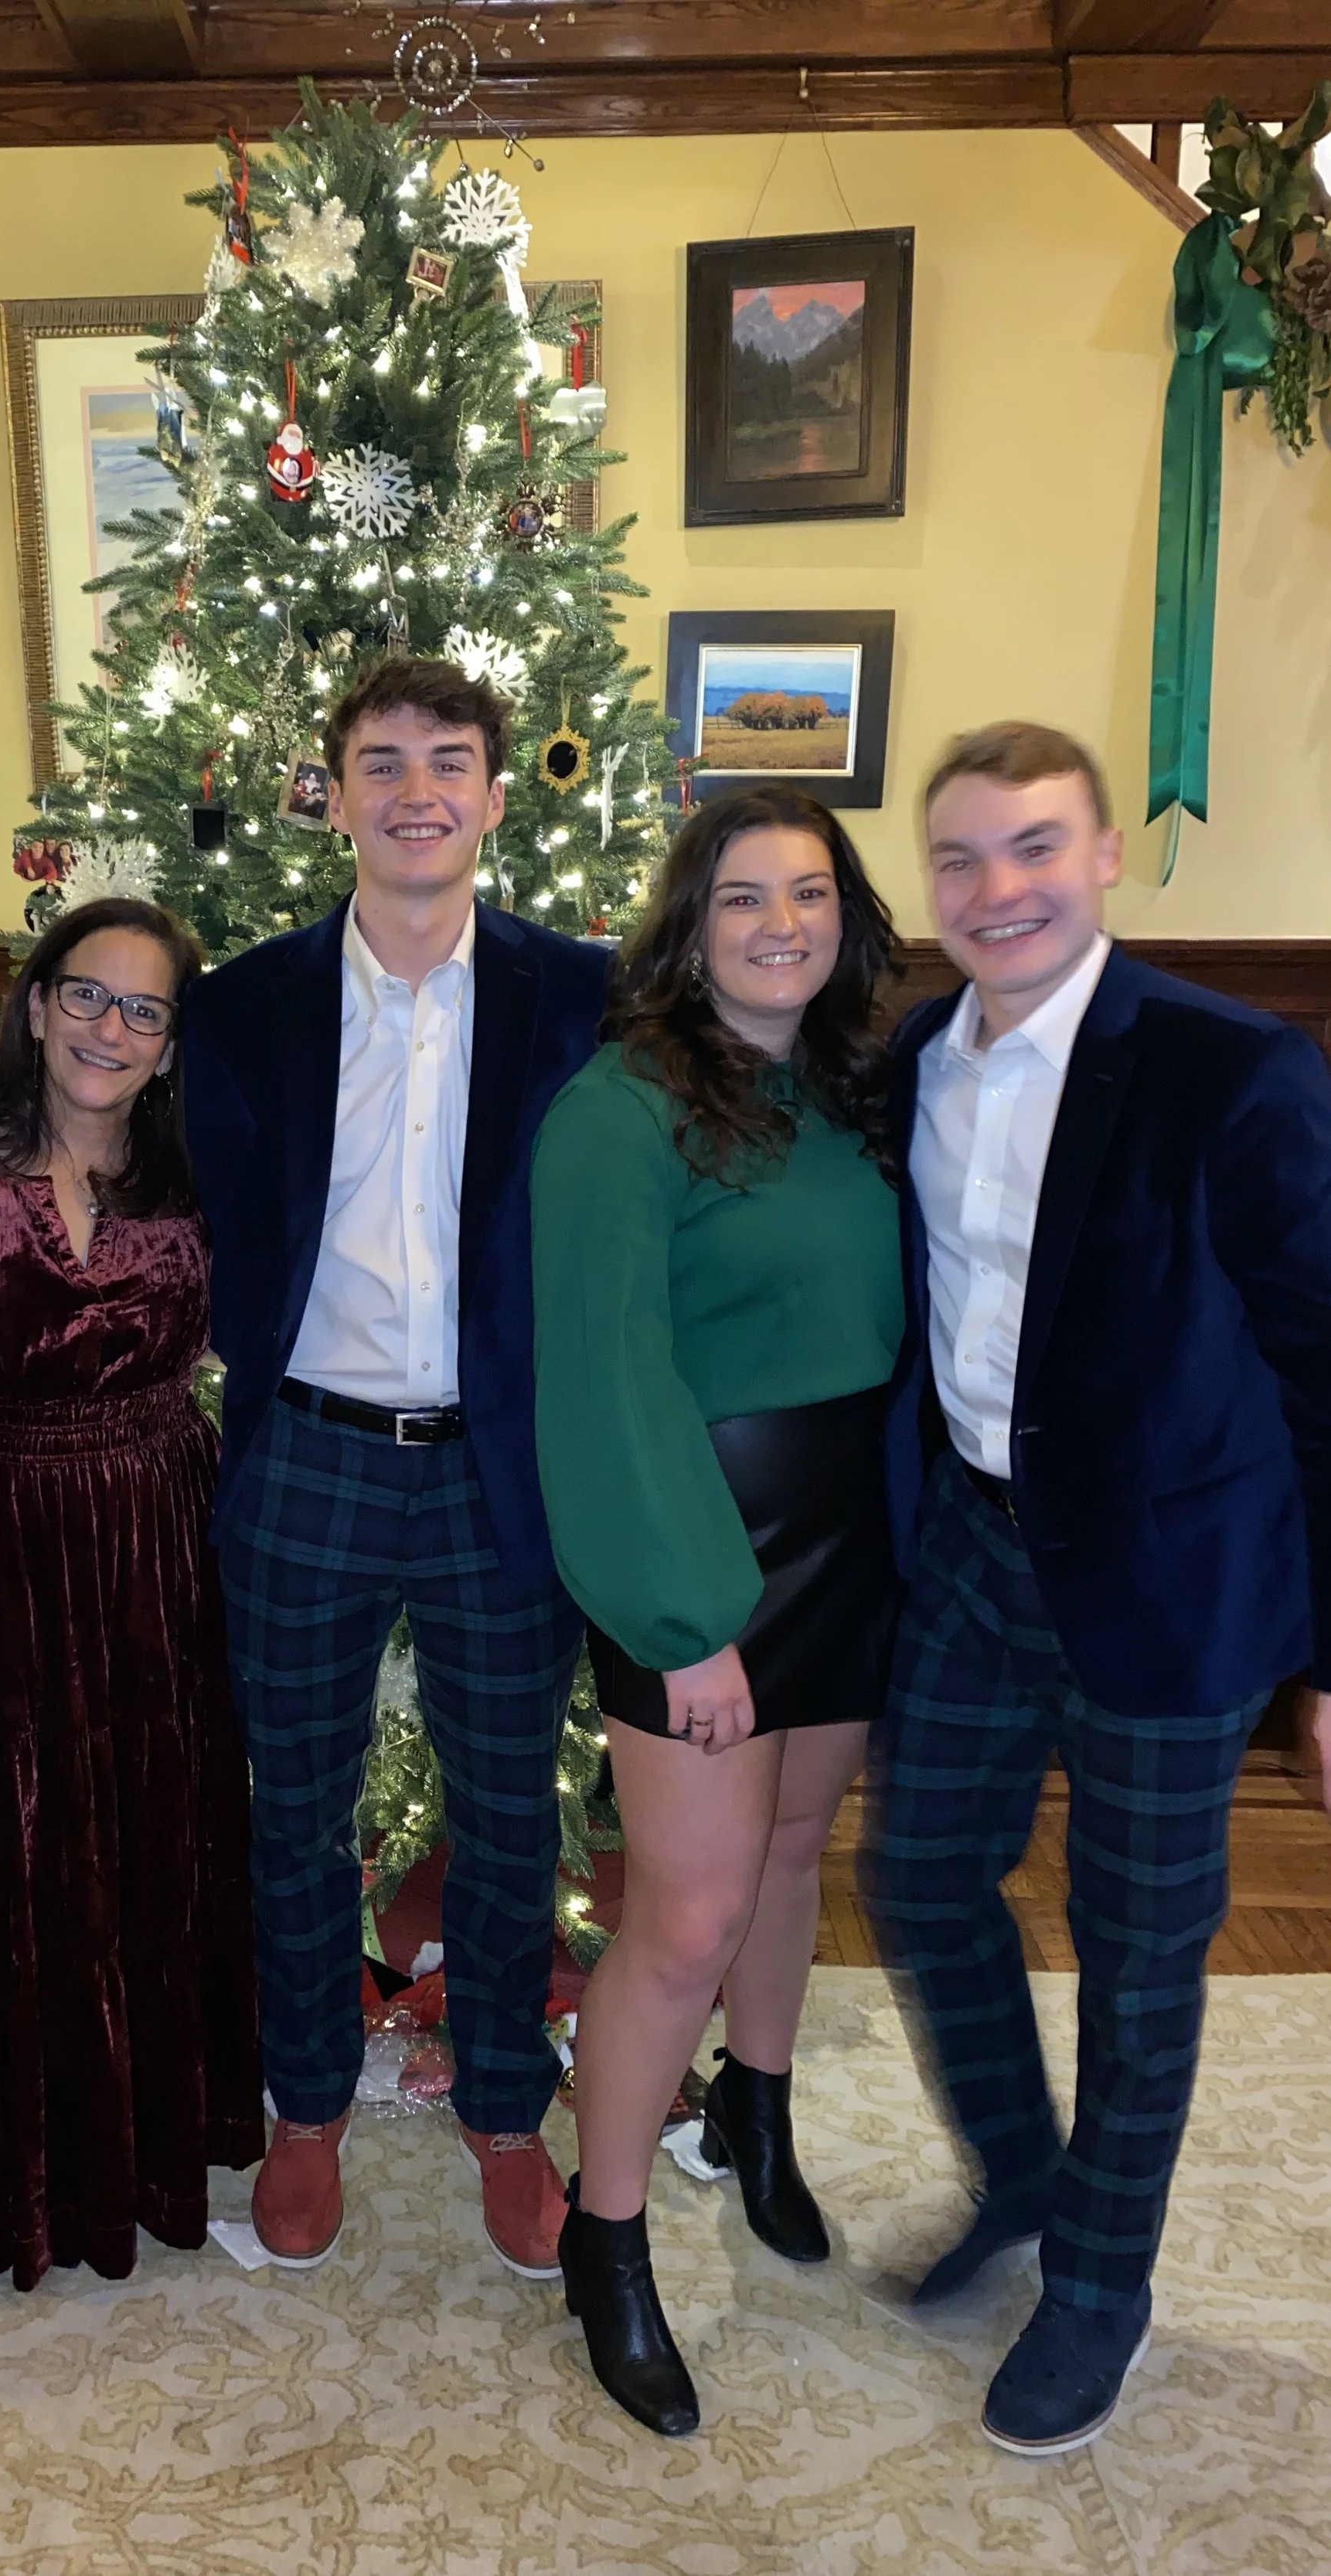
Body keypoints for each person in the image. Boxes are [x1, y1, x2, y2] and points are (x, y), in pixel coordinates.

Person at [865, 720, 1331, 2457]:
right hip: (976, 1550)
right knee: (916, 1883)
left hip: (1167, 1581)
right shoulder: (913, 1051)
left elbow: (1322, 1362)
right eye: (963, 859)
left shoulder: (1230, 1068)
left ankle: (1098, 2288)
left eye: (1033, 848)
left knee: (1140, 1962)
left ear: (1106, 854)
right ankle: (1022, 2175)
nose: (998, 890)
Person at [184, 655, 612, 2278]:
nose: (415, 786)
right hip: (305, 1457)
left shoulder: (585, 998)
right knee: (288, 1812)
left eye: (448, 758)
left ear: (496, 795)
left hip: (501, 1470)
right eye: (380, 759)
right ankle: (305, 2108)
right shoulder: (241, 1008)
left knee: (511, 1815)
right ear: (334, 793)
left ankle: (507, 2109)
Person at [531, 786, 904, 2436]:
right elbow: (605, 1374)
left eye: (807, 892)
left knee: (786, 1849)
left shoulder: (854, 1088)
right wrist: (683, 1616)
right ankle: (599, 2233)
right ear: (686, 925)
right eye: (740, 896)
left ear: (844, 916)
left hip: (849, 1526)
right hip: (699, 1536)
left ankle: (752, 2113)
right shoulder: (618, 1108)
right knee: (681, 1910)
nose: (777, 923)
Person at [0, 898, 265, 2285]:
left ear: (169, 1049)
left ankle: (151, 2155)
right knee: (0, 1852)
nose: (112, 1027)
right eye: (87, 996)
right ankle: (7, 2186)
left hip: (162, 1549)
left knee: (154, 1850)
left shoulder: (200, 1180)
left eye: (145, 1011)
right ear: (37, 1006)